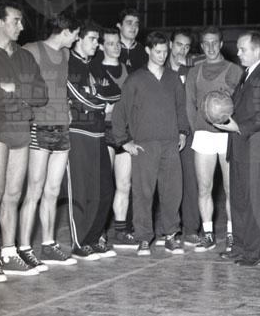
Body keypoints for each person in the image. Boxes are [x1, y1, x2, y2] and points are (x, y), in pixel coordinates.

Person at [0, 0, 48, 281]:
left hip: (20, 130)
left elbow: (41, 95)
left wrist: (12, 88)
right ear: (0, 21)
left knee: (13, 196)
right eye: (16, 20)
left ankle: (8, 253)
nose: (21, 26)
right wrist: (22, 98)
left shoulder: (25, 57)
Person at [111, 31, 190, 256]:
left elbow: (181, 107)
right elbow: (120, 111)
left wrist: (183, 131)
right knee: (143, 193)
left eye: (165, 52)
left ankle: (171, 235)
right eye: (158, 52)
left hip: (170, 144)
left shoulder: (173, 79)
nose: (162, 56)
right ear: (147, 50)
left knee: (172, 191)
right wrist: (124, 141)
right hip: (145, 145)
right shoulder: (135, 79)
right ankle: (144, 237)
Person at [17, 10, 81, 269]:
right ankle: (23, 248)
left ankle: (48, 244)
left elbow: (63, 86)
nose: (76, 39)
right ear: (65, 32)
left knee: (53, 190)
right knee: (34, 190)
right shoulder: (31, 50)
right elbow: (12, 77)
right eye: (75, 34)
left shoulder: (65, 54)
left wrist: (67, 105)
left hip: (62, 127)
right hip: (39, 127)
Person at [214, 31, 260, 266]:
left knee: (256, 203)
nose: (238, 53)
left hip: (257, 150)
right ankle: (241, 247)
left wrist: (238, 127)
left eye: (242, 49)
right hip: (240, 147)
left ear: (257, 50)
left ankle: (255, 253)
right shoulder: (247, 74)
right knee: (240, 201)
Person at [185, 26, 243, 252]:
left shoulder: (234, 70)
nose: (210, 47)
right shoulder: (194, 72)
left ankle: (231, 234)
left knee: (230, 189)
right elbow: (189, 105)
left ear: (220, 44)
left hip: (227, 136)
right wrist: (198, 130)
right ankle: (208, 234)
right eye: (206, 43)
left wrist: (234, 127)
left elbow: (242, 102)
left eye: (214, 43)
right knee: (204, 188)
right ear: (201, 46)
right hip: (203, 137)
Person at [65, 21, 116, 260]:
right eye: (92, 39)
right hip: (77, 133)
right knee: (81, 191)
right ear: (78, 39)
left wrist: (97, 97)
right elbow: (79, 97)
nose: (97, 44)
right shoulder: (68, 63)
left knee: (105, 189)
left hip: (99, 134)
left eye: (98, 39)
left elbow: (116, 92)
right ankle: (79, 243)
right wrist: (102, 102)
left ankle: (94, 239)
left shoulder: (95, 65)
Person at [89, 27, 134, 248]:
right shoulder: (94, 70)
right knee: (104, 185)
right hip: (105, 130)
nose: (116, 47)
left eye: (118, 43)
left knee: (124, 183)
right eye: (110, 43)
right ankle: (99, 231)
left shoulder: (127, 70)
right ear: (101, 46)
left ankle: (121, 230)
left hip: (125, 131)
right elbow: (98, 103)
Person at [164, 29, 201, 246]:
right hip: (163, 133)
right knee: (165, 182)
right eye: (179, 45)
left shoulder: (192, 72)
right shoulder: (158, 69)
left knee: (190, 181)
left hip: (187, 134)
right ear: (170, 44)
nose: (182, 50)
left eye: (187, 47)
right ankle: (167, 229)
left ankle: (191, 229)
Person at [117, 8, 148, 72]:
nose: (133, 27)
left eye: (136, 24)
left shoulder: (145, 52)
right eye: (129, 23)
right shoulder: (110, 50)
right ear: (119, 25)